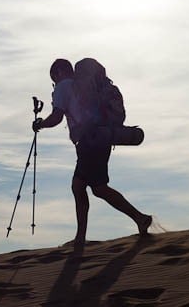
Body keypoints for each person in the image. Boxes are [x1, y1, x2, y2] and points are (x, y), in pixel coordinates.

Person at [33, 58, 152, 250]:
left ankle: (137, 218)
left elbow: (56, 117)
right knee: (89, 187)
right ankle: (136, 219)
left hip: (89, 140)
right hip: (101, 137)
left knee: (89, 187)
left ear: (59, 73)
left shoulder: (64, 86)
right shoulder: (84, 86)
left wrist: (40, 124)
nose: (54, 82)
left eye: (54, 78)